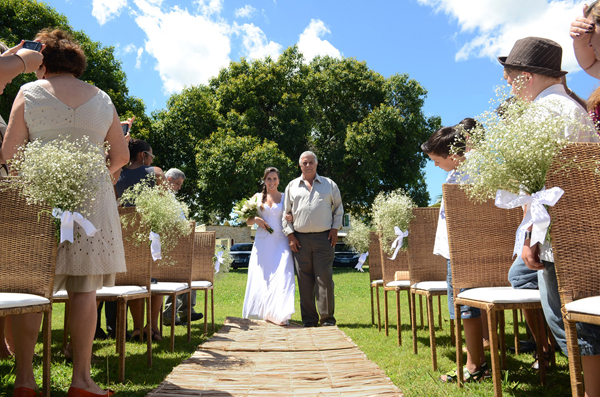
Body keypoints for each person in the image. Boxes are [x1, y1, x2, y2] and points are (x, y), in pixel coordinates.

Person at [1, 28, 129, 397]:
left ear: (42, 62)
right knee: (83, 289)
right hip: (92, 203)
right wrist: (94, 177)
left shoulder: (29, 92)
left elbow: (9, 154)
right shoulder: (102, 98)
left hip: (37, 199)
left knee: (30, 286)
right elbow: (121, 156)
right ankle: (82, 381)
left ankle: (25, 381)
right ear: (76, 62)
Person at [501, 35, 600, 395]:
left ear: (526, 76)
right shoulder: (573, 108)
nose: (508, 87)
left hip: (562, 238)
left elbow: (542, 187)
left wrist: (532, 240)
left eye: (510, 78)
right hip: (588, 232)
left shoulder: (542, 114)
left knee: (568, 320)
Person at [421, 121, 490, 382]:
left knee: (466, 306)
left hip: (463, 250)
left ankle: (474, 366)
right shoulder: (461, 171)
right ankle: (477, 362)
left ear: (452, 155)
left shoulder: (469, 172)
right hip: (457, 249)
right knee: (466, 306)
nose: (435, 166)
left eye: (436, 161)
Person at [283, 151, 343, 327]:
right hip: (299, 240)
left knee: (324, 278)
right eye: (304, 163)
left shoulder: (329, 184)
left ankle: (327, 320)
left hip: (324, 239)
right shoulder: (292, 186)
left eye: (311, 162)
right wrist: (290, 234)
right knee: (304, 280)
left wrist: (334, 229)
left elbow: (338, 208)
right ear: (300, 166)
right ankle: (309, 320)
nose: (308, 165)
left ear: (316, 164)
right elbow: (285, 213)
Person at [115, 138, 165, 342]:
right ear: (143, 155)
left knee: (135, 279)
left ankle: (136, 329)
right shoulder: (156, 173)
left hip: (124, 236)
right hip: (151, 234)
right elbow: (165, 201)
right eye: (151, 155)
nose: (152, 159)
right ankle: (152, 327)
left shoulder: (116, 175)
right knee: (157, 279)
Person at [242, 167, 296, 325]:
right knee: (264, 277)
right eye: (269, 179)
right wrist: (256, 220)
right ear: (264, 180)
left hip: (281, 241)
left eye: (274, 179)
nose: (272, 182)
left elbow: (294, 216)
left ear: (279, 180)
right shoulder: (257, 197)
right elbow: (247, 220)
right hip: (263, 242)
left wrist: (290, 217)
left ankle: (281, 314)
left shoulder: (286, 197)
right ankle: (266, 312)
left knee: (284, 274)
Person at [162, 168, 203, 326]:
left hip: (180, 242)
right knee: (179, 276)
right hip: (171, 244)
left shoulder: (171, 197)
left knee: (187, 274)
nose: (179, 187)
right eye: (178, 184)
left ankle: (183, 311)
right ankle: (176, 312)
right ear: (169, 179)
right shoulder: (163, 197)